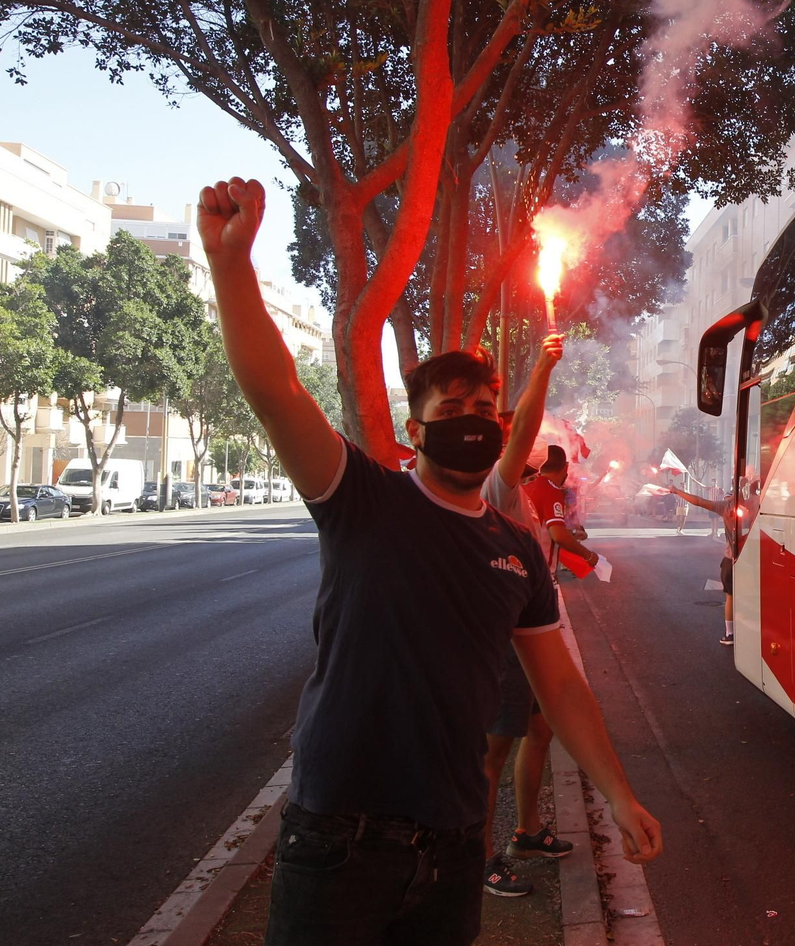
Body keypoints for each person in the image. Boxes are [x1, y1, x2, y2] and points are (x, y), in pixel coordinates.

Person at [197, 177, 660, 946]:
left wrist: (619, 791)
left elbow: (561, 685)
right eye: (452, 412)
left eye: (484, 411)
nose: (473, 424)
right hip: (340, 838)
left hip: (452, 842)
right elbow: (275, 391)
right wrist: (232, 266)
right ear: (416, 432)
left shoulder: (515, 551)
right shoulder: (360, 498)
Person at [479, 340, 576, 899]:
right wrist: (542, 365)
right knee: (492, 752)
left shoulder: (526, 495)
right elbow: (519, 432)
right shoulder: (501, 483)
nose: (531, 441)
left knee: (540, 729)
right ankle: (482, 856)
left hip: (536, 634)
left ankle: (526, 832)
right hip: (507, 643)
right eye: (522, 435)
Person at [665, 483, 744, 646]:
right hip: (752, 558)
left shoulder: (726, 507)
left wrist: (677, 491)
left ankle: (730, 633)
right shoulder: (754, 503)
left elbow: (699, 501)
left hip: (732, 558)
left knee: (730, 595)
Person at [526, 446, 599, 574]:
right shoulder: (551, 490)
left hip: (525, 565)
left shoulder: (528, 487)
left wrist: (573, 533)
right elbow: (558, 536)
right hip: (541, 571)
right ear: (565, 467)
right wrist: (589, 556)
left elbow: (542, 527)